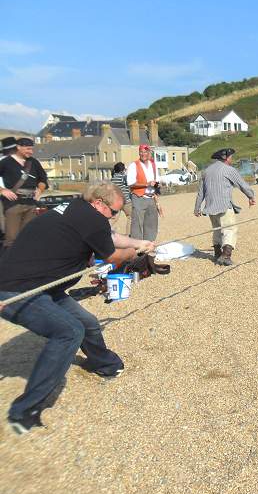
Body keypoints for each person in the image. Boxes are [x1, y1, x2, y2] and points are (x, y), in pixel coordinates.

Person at [0, 182, 154, 434]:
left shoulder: (78, 209)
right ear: (98, 203)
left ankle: (103, 364)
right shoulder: (92, 219)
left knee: (88, 323)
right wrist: (133, 253)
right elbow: (114, 255)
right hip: (16, 290)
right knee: (69, 331)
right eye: (113, 212)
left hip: (44, 285)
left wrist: (140, 242)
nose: (115, 216)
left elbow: (111, 237)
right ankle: (24, 411)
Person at [194, 148, 256, 266]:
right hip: (224, 206)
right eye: (231, 156)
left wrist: (197, 208)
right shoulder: (229, 170)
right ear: (225, 157)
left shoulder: (206, 171)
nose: (231, 159)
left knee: (217, 231)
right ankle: (226, 256)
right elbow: (241, 184)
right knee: (230, 229)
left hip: (210, 207)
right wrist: (251, 196)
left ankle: (217, 254)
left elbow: (200, 192)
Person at [0, 137, 48, 250]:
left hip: (31, 204)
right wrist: (2, 190)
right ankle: (9, 264)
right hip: (13, 204)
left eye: (31, 149)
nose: (30, 152)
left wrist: (40, 190)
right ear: (18, 147)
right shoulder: (6, 162)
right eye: (27, 149)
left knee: (28, 236)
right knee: (12, 239)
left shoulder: (34, 162)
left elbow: (43, 179)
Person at [126, 144, 162, 241]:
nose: (143, 154)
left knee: (152, 223)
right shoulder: (133, 165)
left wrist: (157, 185)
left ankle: (149, 245)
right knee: (137, 225)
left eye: (145, 152)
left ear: (149, 153)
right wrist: (147, 184)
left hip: (151, 198)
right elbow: (131, 183)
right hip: (138, 198)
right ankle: (137, 248)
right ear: (139, 153)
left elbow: (157, 180)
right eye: (141, 152)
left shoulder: (153, 165)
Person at [110, 162, 133, 236]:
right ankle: (128, 234)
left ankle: (105, 230)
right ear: (121, 170)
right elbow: (130, 183)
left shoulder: (113, 178)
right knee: (130, 217)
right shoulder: (123, 177)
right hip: (126, 201)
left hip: (116, 201)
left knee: (114, 218)